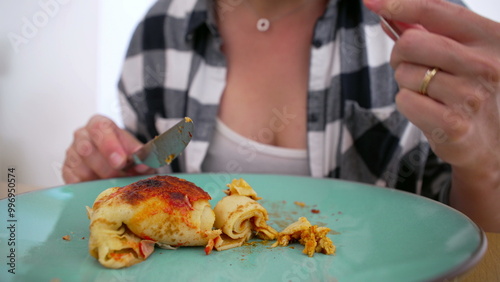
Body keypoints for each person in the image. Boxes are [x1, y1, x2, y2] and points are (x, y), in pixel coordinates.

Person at [62, 0, 500, 232]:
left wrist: (485, 165)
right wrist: (108, 174)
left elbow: (465, 238)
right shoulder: (159, 31)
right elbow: (134, 178)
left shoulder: (425, 35)